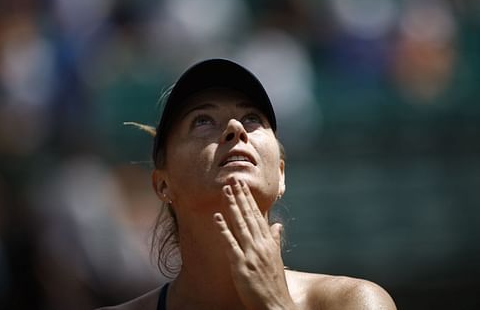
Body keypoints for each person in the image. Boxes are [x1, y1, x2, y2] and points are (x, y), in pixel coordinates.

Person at [98, 59, 397, 310]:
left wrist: (276, 304)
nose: (235, 128)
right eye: (202, 120)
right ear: (163, 184)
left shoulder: (355, 302)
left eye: (252, 118)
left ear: (281, 174)